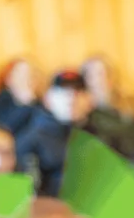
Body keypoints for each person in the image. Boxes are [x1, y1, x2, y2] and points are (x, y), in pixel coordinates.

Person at [15, 68, 97, 196]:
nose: (71, 98)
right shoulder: (30, 140)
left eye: (77, 92)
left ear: (90, 100)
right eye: (62, 91)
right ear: (48, 99)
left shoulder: (101, 136)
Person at [79, 54, 134, 158]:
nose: (102, 79)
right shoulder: (83, 115)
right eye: (95, 74)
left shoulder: (127, 104)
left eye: (106, 73)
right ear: (85, 80)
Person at [0, 58, 43, 139]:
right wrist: (26, 104)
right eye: (22, 75)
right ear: (8, 78)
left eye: (31, 75)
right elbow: (3, 132)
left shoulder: (39, 104)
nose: (28, 80)